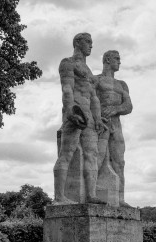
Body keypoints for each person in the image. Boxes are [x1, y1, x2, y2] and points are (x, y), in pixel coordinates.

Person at [53, 33, 106, 205]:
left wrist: (97, 118)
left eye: (92, 42)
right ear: (77, 42)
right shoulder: (68, 63)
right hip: (75, 112)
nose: (91, 45)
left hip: (89, 117)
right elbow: (67, 89)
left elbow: (94, 97)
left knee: (92, 154)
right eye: (88, 42)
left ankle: (91, 195)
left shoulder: (89, 71)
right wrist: (69, 110)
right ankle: (59, 197)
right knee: (66, 154)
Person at [95, 50, 133, 207]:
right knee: (97, 158)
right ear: (107, 60)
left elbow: (129, 106)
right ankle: (90, 194)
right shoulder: (96, 80)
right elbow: (90, 99)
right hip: (100, 124)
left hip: (116, 125)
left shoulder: (122, 84)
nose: (120, 62)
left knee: (120, 161)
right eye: (117, 59)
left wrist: (116, 109)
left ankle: (120, 198)